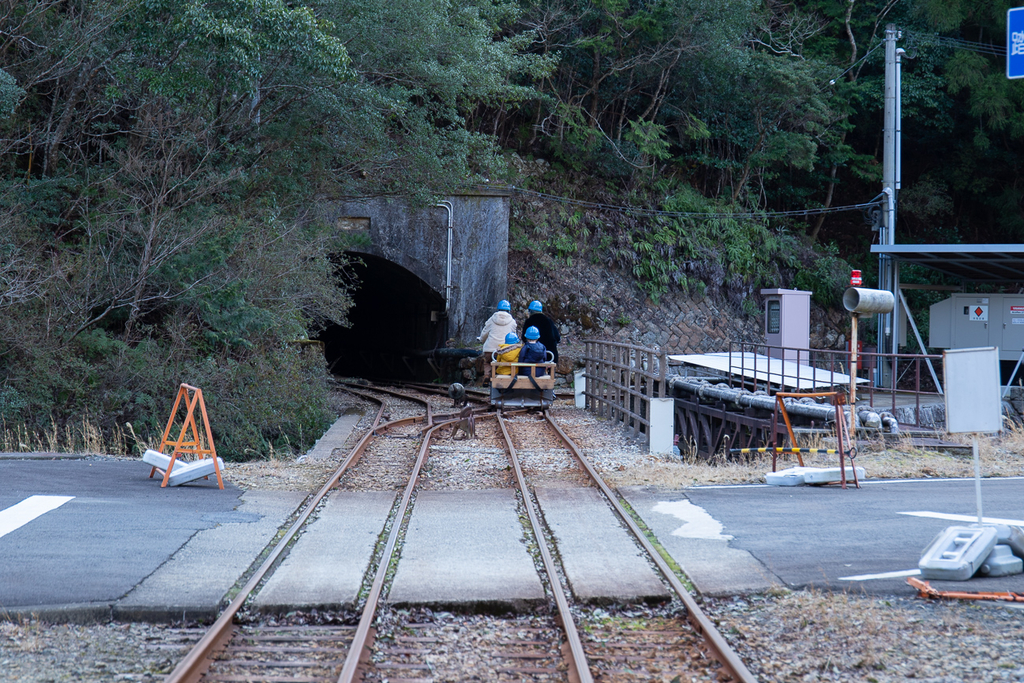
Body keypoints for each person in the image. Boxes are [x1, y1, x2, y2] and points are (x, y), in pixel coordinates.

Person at [478, 300, 517, 384]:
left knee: (487, 362)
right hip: (504, 350)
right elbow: (514, 336)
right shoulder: (512, 321)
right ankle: (500, 380)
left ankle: (487, 375)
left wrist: (481, 339)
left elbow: (485, 332)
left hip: (490, 348)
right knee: (502, 363)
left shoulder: (492, 319)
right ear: (508, 310)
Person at [523, 300, 560, 364]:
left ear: (530, 311)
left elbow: (524, 338)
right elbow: (557, 337)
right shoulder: (549, 321)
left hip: (534, 356)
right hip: (551, 356)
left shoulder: (529, 322)